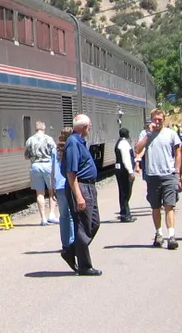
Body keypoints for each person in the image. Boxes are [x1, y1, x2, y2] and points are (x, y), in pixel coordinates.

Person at [134, 108, 182, 250]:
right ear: (151, 119)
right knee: (155, 207)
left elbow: (178, 153)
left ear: (164, 120)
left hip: (168, 175)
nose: (157, 122)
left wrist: (177, 172)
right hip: (152, 175)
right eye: (155, 119)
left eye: (160, 120)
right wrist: (148, 135)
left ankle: (171, 236)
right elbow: (137, 149)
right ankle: (159, 234)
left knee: (169, 206)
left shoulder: (171, 134)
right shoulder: (145, 134)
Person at [61, 114, 101, 275]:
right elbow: (71, 173)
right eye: (89, 125)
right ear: (85, 127)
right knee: (83, 226)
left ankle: (71, 251)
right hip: (81, 187)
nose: (90, 128)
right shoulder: (73, 143)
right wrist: (78, 196)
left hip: (88, 187)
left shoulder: (79, 141)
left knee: (94, 223)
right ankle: (84, 266)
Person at [23, 121, 58, 225]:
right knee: (52, 191)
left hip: (35, 166)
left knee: (39, 193)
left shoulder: (30, 140)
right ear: (44, 128)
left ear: (36, 128)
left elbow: (26, 156)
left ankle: (43, 218)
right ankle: (51, 214)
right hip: (47, 165)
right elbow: (54, 153)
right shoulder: (48, 139)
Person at [52, 127, 76, 253]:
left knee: (63, 216)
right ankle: (72, 242)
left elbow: (52, 169)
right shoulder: (72, 147)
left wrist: (51, 188)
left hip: (58, 186)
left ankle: (65, 244)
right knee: (72, 215)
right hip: (69, 184)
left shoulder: (55, 151)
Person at [114, 127, 136, 222]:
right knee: (126, 192)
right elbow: (126, 159)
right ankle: (126, 214)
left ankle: (123, 212)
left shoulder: (119, 142)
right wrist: (130, 172)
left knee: (122, 192)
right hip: (124, 171)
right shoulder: (124, 144)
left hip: (119, 169)